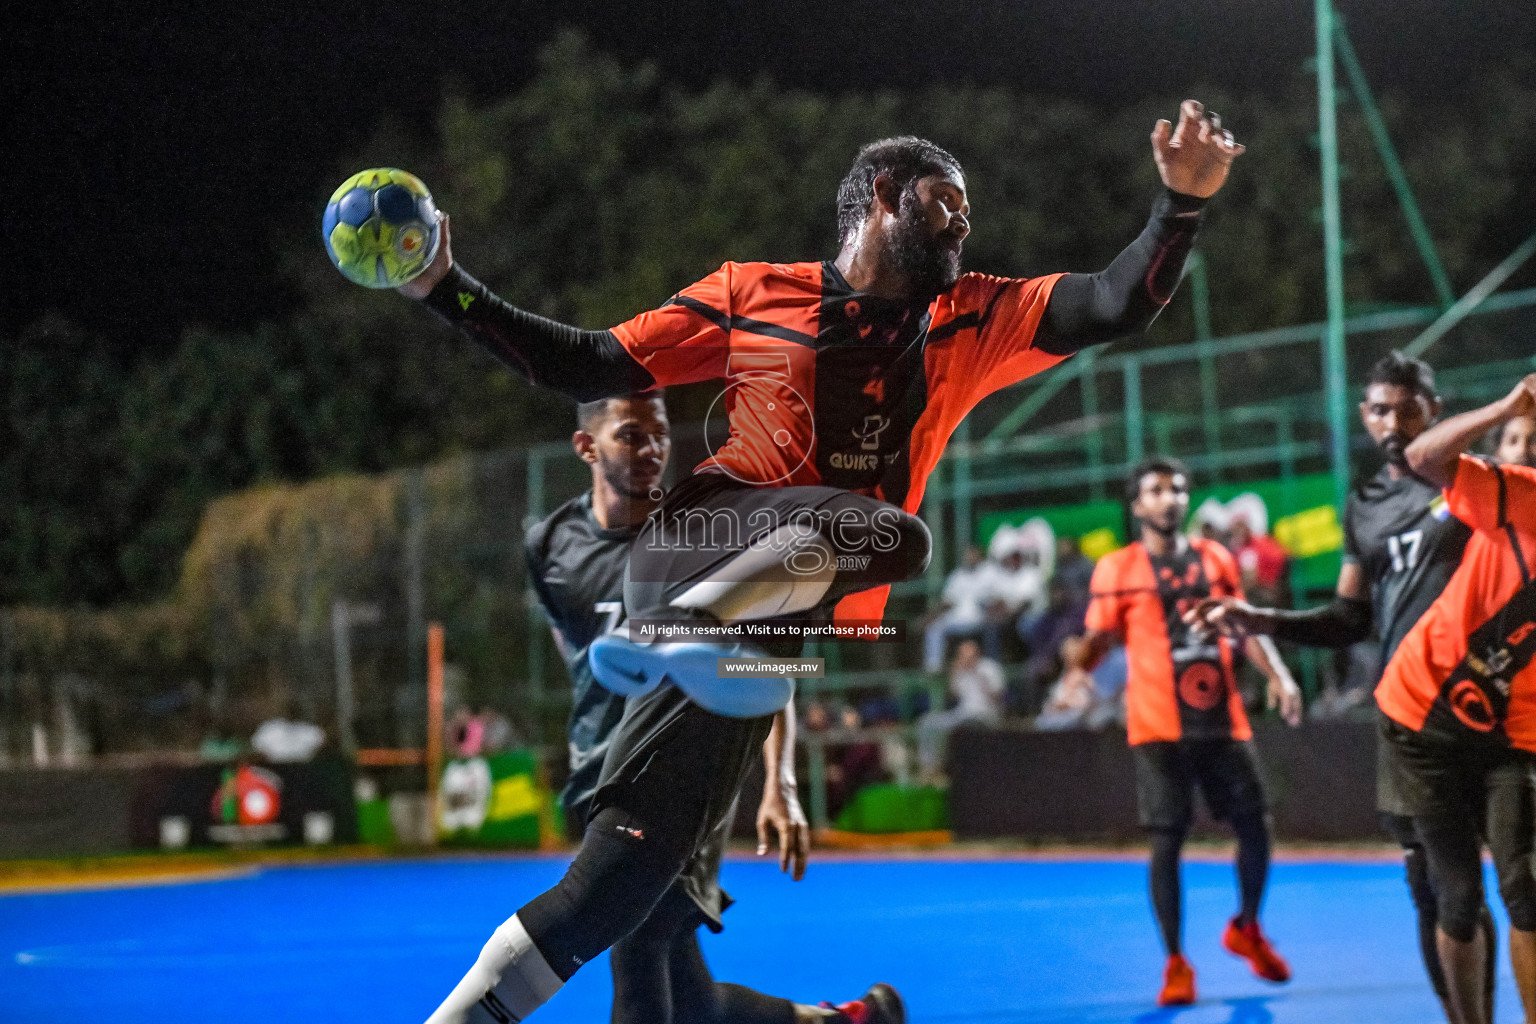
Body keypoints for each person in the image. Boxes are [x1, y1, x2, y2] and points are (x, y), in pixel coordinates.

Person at [403, 101, 1244, 1023]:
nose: (964, 220)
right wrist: (448, 285)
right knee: (893, 533)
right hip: (689, 552)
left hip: (759, 643)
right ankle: (680, 633)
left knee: (622, 881)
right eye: (943, 201)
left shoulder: (973, 319)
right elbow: (590, 363)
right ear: (882, 194)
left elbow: (1114, 300)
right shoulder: (753, 293)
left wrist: (1180, 208)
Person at [525, 391, 885, 1022]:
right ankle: (844, 1021)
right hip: (600, 778)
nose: (652, 451)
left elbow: (767, 663)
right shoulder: (550, 544)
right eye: (631, 436)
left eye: (660, 435)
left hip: (679, 772)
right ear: (586, 446)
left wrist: (782, 780)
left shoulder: (700, 539)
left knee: (635, 943)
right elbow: (579, 651)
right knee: (691, 998)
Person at [1186, 352, 1503, 1023]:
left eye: (1408, 405)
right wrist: (1259, 617)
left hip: (1494, 707)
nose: (1394, 420)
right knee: (1438, 890)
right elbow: (1349, 618)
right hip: (1410, 716)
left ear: (1434, 409)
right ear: (1364, 416)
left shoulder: (1474, 485)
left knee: (1508, 884)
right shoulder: (1364, 506)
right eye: (1380, 408)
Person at [1064, 456, 1301, 1007]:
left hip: (1221, 719)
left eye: (1178, 489)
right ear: (1137, 504)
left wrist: (1281, 675)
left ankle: (1246, 925)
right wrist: (1075, 677)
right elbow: (1097, 641)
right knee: (1167, 840)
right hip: (1157, 725)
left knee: (1255, 824)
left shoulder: (1215, 559)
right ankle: (1175, 962)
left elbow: (1242, 627)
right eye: (1156, 490)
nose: (1169, 499)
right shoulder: (1117, 570)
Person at [1369, 374, 1536, 1024]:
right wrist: (1505, 404)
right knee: (1458, 896)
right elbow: (1422, 458)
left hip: (1508, 728)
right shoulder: (1518, 496)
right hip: (1420, 717)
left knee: (1525, 890)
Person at [916, 637, 1005, 782]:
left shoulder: (989, 667)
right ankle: (931, 767)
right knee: (928, 722)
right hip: (963, 713)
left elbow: (999, 698)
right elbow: (954, 694)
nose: (965, 657)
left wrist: (977, 673)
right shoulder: (961, 670)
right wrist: (954, 672)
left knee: (960, 726)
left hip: (985, 715)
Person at [922, 544, 1002, 671]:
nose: (969, 557)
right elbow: (948, 601)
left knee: (992, 625)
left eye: (972, 554)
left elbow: (998, 597)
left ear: (979, 555)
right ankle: (934, 666)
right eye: (967, 555)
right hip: (958, 618)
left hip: (980, 617)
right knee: (934, 627)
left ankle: (992, 665)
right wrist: (931, 616)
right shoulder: (958, 575)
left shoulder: (989, 572)